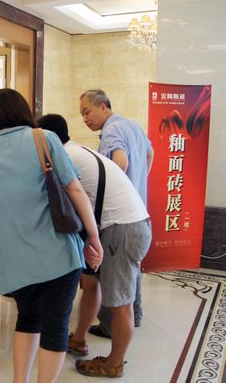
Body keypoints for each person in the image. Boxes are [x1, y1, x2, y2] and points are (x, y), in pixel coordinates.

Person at [0, 88, 103, 383]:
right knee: (55, 328)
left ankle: (19, 381)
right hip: (57, 254)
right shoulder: (44, 138)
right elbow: (74, 188)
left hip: (14, 262)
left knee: (28, 319)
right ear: (22, 110)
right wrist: (93, 236)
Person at [38, 114, 152, 378]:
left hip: (121, 229)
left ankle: (114, 363)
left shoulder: (64, 157)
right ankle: (78, 339)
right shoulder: (75, 150)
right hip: (118, 226)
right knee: (91, 282)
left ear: (46, 140)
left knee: (121, 303)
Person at [79, 89, 153, 335]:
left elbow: (120, 163)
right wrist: (137, 183)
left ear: (103, 106)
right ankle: (136, 315)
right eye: (82, 115)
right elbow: (150, 153)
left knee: (115, 272)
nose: (85, 119)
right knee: (131, 267)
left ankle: (111, 325)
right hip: (138, 209)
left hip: (119, 216)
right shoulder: (132, 125)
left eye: (87, 112)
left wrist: (114, 191)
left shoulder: (111, 130)